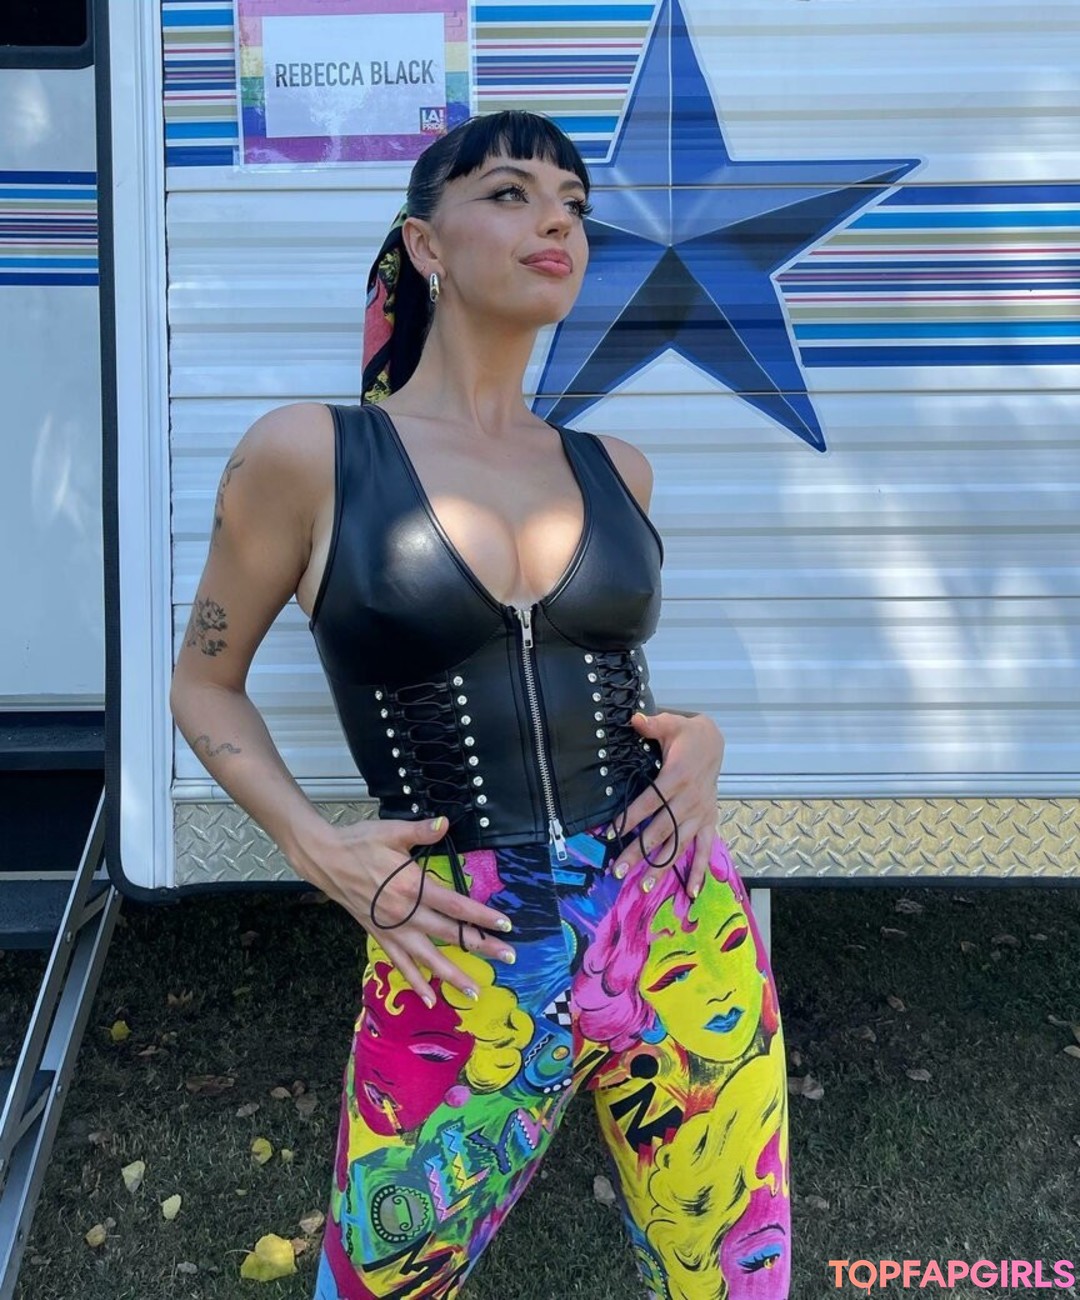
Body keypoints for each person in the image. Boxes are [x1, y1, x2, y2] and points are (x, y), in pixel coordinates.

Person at [169, 109, 790, 1300]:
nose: (555, 219)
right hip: (459, 944)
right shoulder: (308, 454)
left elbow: (606, 684)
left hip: (677, 922)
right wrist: (315, 846)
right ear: (427, 244)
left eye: (573, 203)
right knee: (382, 1279)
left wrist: (702, 741)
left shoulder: (615, 467)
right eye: (509, 193)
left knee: (732, 1277)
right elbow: (203, 681)